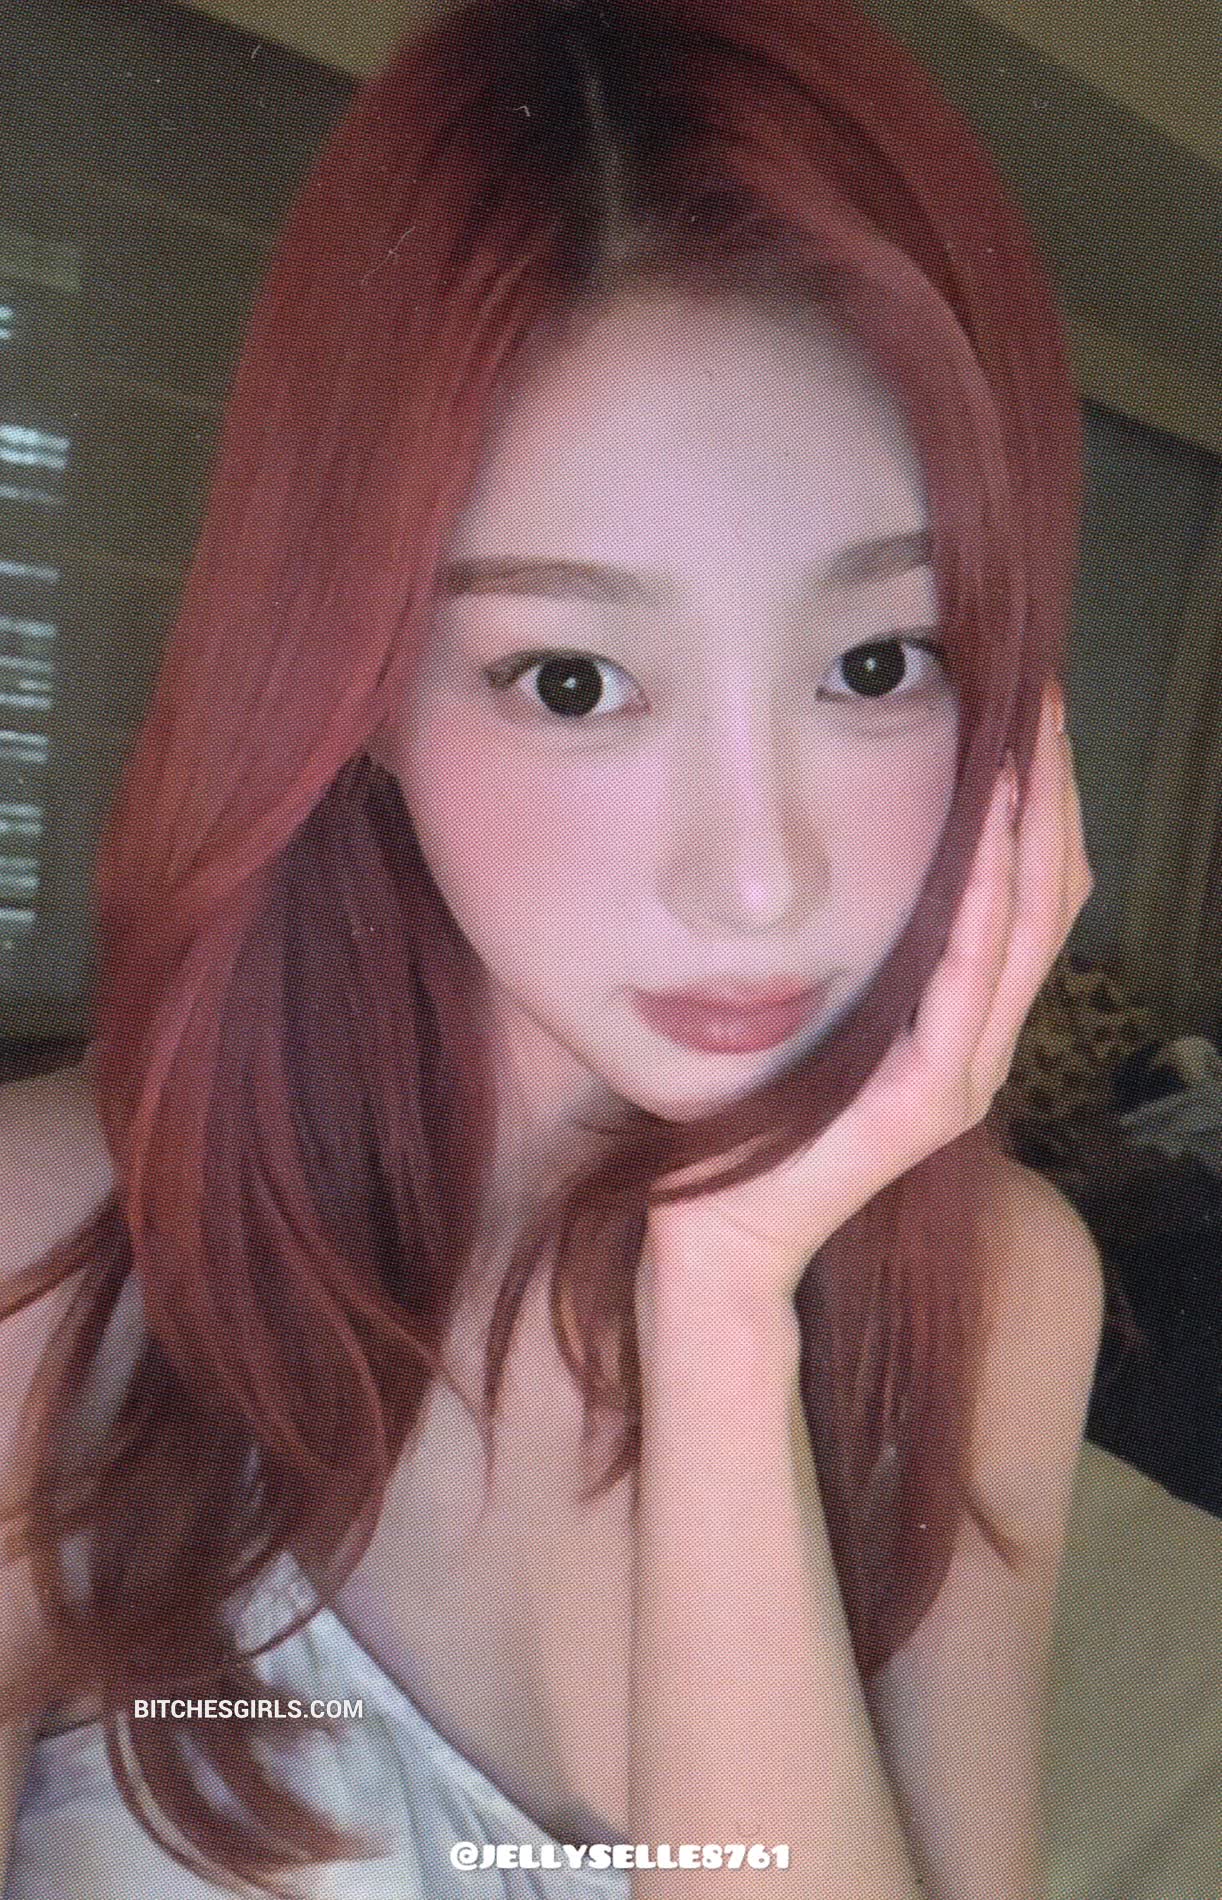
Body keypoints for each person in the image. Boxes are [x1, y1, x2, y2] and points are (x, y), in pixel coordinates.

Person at [0, 1, 1104, 1895]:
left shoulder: (989, 1294)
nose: (756, 884)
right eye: (573, 681)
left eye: (874, 662)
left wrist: (724, 1303)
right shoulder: (58, 1254)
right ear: (353, 687)